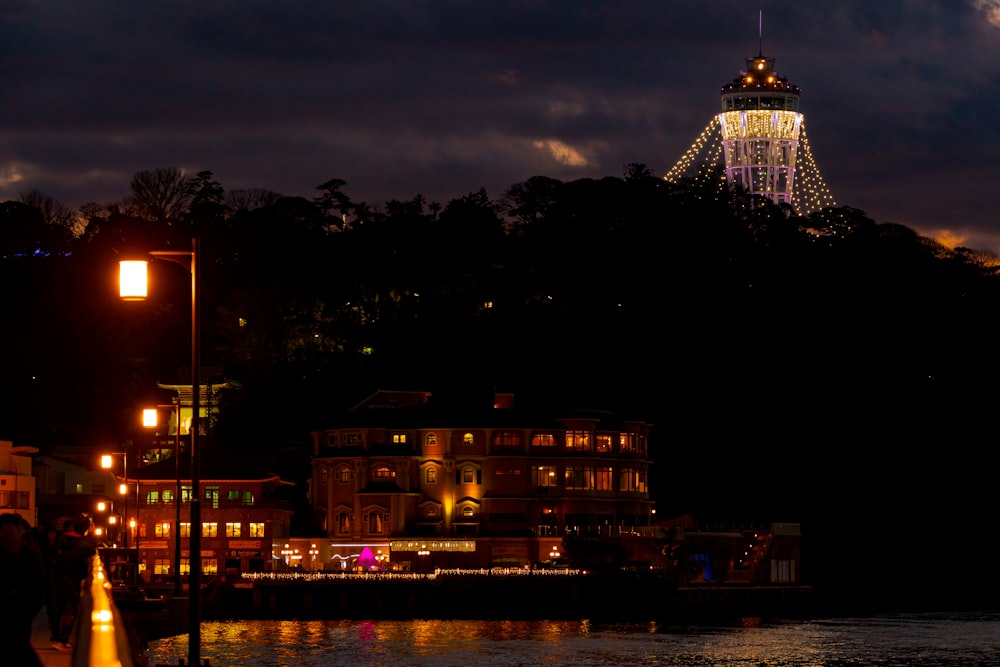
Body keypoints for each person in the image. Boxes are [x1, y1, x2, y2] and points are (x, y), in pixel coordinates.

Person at [0, 512, 46, 667]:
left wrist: (31, 608)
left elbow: (40, 584)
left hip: (23, 613)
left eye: (11, 527)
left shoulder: (29, 556)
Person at [50, 514, 97, 651]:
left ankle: (55, 638)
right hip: (72, 579)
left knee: (57, 609)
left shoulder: (62, 538)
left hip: (58, 577)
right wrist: (92, 534)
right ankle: (63, 638)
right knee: (70, 610)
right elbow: (92, 549)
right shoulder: (82, 544)